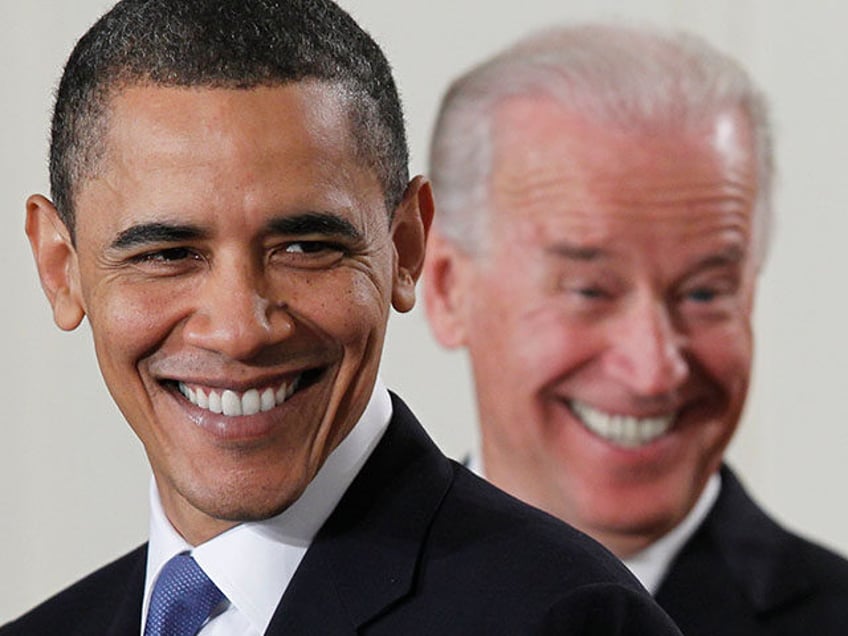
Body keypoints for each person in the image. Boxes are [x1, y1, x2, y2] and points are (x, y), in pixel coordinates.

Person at [0, 2, 686, 635]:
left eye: (305, 247)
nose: (240, 329)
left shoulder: (567, 620)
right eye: (168, 254)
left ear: (406, 248)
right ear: (62, 269)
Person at [424, 23, 848, 636]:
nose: (653, 370)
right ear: (444, 288)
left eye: (704, 293)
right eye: (588, 291)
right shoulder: (295, 606)